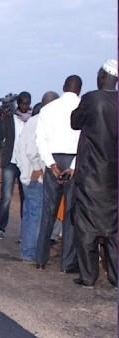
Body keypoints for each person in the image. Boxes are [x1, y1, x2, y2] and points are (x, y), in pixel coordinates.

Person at [70, 60, 118, 287]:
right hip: (114, 177)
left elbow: (74, 122)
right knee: (114, 229)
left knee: (86, 226)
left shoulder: (91, 99)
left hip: (92, 175)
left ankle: (88, 276)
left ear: (101, 77)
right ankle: (116, 277)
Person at [35, 75, 82, 272]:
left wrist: (52, 165)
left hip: (52, 160)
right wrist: (73, 165)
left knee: (48, 212)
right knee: (70, 214)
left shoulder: (47, 109)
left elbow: (40, 140)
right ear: (80, 89)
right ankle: (67, 263)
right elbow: (85, 140)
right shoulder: (83, 107)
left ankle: (40, 259)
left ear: (63, 87)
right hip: (74, 162)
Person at [15, 92, 59, 263]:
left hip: (27, 176)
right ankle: (30, 253)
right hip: (36, 177)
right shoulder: (42, 121)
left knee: (29, 214)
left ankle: (27, 250)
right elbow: (33, 150)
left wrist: (25, 171)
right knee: (36, 215)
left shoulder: (31, 121)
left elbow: (19, 151)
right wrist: (36, 169)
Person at [0, 91, 31, 239]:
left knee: (26, 198)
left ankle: (25, 231)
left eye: (27, 104)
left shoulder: (33, 118)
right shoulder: (9, 117)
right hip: (10, 161)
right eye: (22, 103)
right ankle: (0, 228)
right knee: (6, 196)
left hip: (26, 163)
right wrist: (1, 118)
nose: (24, 106)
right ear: (17, 103)